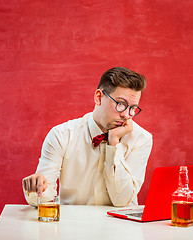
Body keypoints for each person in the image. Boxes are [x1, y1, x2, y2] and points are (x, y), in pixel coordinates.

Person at [22, 67, 153, 207]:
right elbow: (44, 198)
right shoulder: (62, 135)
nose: (127, 115)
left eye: (133, 108)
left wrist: (113, 144)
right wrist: (36, 188)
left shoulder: (141, 139)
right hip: (72, 225)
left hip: (121, 226)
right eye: (121, 104)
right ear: (98, 97)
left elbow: (122, 200)